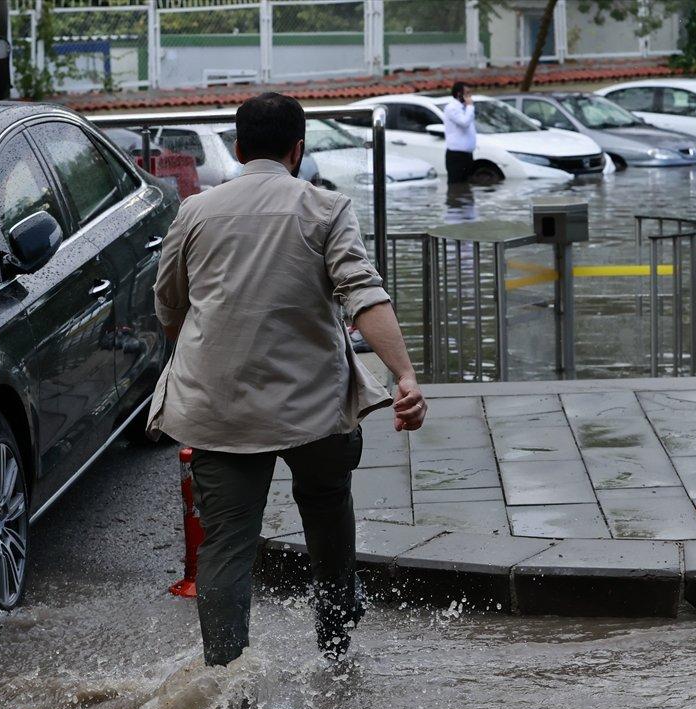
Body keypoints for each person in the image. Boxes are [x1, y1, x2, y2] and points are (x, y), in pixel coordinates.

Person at [146, 92, 427, 667]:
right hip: (316, 407)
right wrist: (404, 376)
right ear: (298, 150)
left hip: (218, 410)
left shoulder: (194, 211)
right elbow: (363, 294)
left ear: (239, 148)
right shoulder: (326, 208)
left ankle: (224, 687)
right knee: (327, 515)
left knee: (226, 546)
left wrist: (209, 350)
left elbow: (169, 307)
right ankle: (335, 642)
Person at [441, 81, 476, 185]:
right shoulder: (451, 108)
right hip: (456, 155)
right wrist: (470, 106)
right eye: (467, 93)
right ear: (458, 94)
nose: (469, 97)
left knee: (466, 187)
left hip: (467, 154)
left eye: (470, 93)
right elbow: (464, 122)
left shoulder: (465, 108)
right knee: (456, 186)